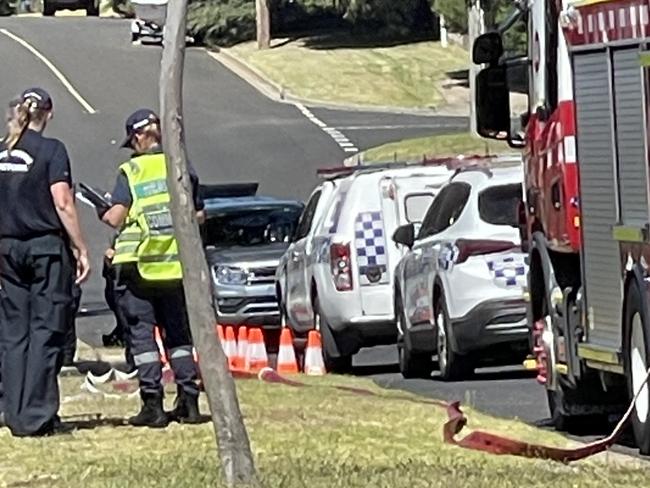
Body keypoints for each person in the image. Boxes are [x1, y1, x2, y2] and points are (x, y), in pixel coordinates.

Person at [101, 108, 204, 427]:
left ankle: (152, 404)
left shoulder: (131, 171)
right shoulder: (180, 165)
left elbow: (115, 217)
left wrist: (104, 211)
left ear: (136, 138)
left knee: (143, 337)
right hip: (174, 266)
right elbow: (199, 214)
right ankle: (189, 400)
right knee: (179, 336)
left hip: (140, 269)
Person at [0, 88, 90, 437]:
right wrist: (80, 247)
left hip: (7, 250)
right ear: (48, 114)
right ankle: (36, 417)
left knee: (13, 332)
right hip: (44, 249)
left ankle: (12, 408)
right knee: (45, 329)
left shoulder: (2, 149)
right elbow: (63, 201)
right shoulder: (52, 150)